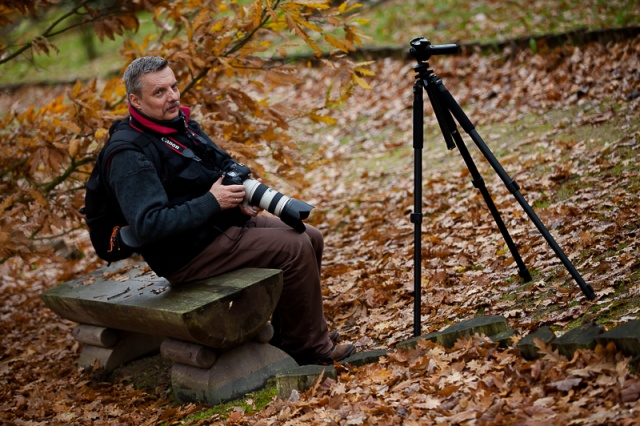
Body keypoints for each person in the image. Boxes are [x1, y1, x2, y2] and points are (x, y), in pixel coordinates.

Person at [104, 56, 354, 365]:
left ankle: (291, 337)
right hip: (185, 254)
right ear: (135, 101)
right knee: (294, 247)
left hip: (215, 230)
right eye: (159, 92)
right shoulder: (129, 153)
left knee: (310, 235)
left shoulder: (179, 126)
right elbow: (148, 225)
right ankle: (311, 350)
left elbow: (217, 171)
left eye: (174, 86)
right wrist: (214, 201)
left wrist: (240, 202)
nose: (172, 96)